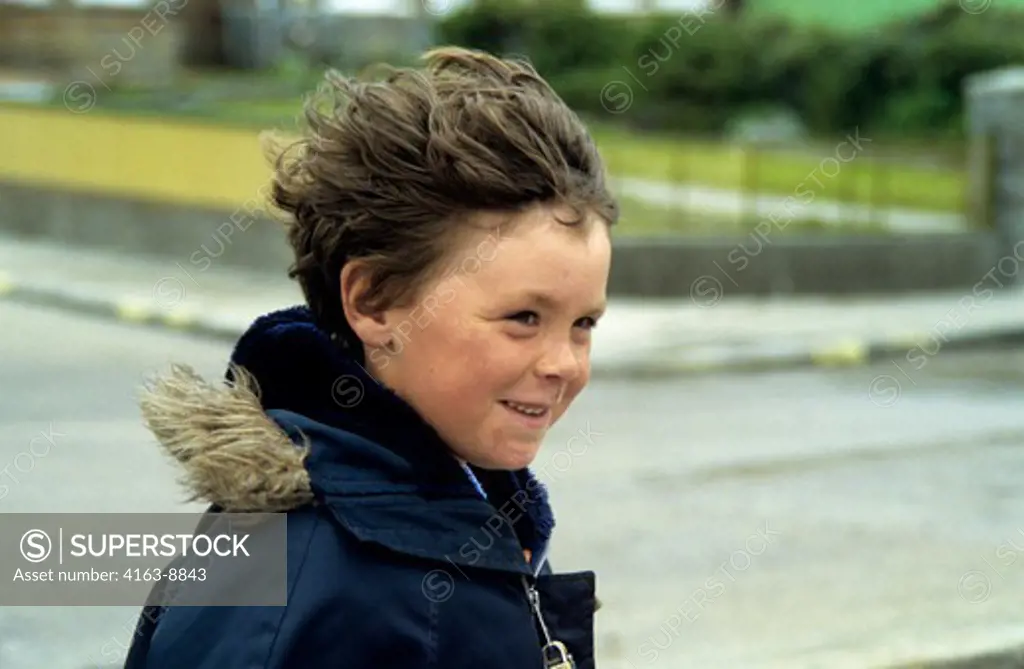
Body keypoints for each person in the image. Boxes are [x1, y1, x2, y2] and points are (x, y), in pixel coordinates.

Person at [122, 46, 617, 669]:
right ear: (375, 300)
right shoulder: (323, 593)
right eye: (523, 318)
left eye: (584, 324)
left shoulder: (456, 508)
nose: (565, 364)